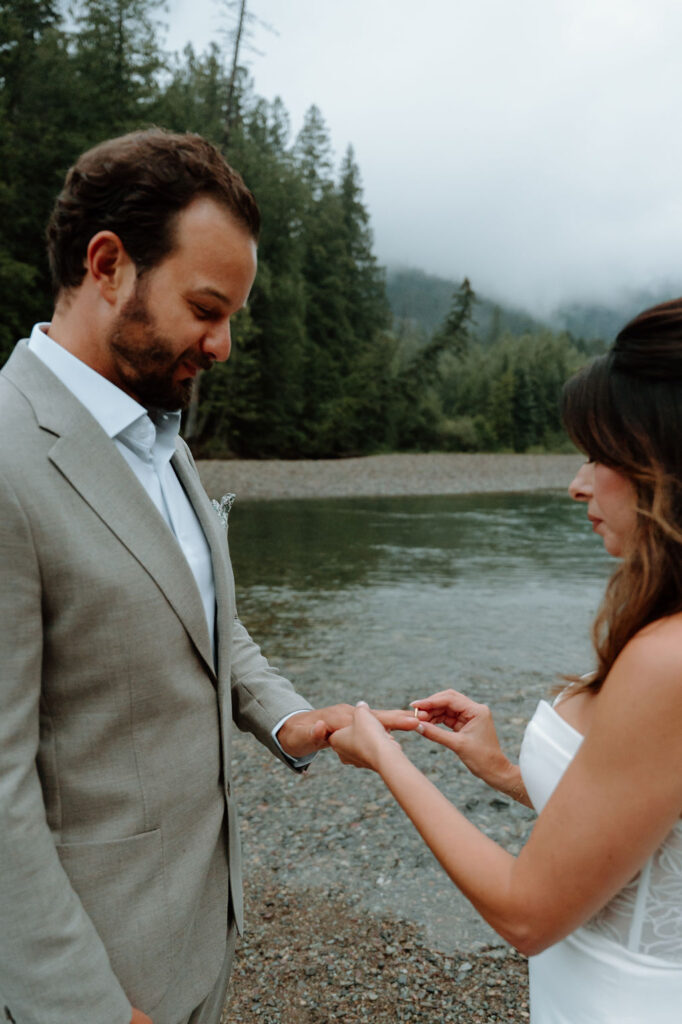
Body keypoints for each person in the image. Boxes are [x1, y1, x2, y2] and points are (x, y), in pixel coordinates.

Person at [0, 128, 415, 1024]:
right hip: (93, 977)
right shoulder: (5, 458)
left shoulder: (161, 437)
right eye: (206, 308)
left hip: (194, 941)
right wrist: (85, 1008)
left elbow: (204, 618)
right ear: (107, 265)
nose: (223, 346)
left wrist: (293, 718)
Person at [330, 299, 682, 1022]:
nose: (577, 484)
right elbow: (644, 824)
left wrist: (386, 758)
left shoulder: (665, 661)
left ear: (662, 465)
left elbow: (528, 915)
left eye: (598, 455)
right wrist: (500, 772)